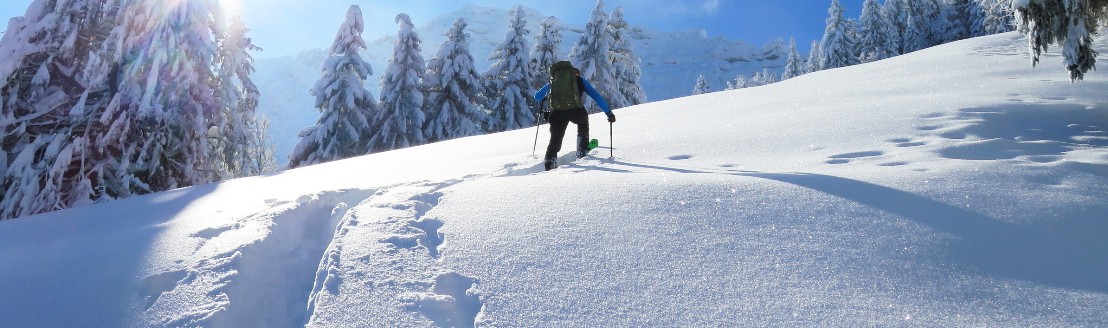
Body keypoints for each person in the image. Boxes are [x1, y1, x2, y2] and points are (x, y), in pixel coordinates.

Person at [534, 61, 616, 171]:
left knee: (555, 141)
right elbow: (596, 96)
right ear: (573, 73)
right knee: (583, 123)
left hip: (557, 113)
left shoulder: (553, 81)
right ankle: (582, 149)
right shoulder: (579, 80)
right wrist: (609, 113)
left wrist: (549, 96)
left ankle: (549, 164)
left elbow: (537, 97)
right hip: (576, 111)